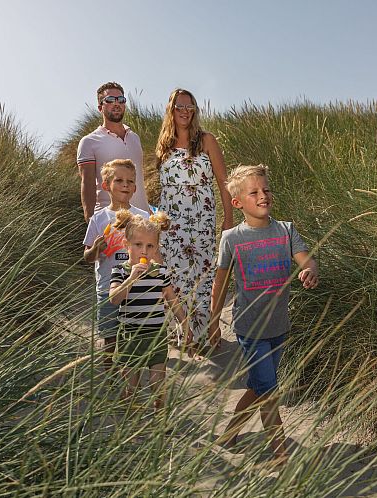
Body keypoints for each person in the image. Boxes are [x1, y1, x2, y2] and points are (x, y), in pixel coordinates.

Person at [209, 164, 319, 464]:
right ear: (237, 203)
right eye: (254, 192)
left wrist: (309, 271)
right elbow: (219, 283)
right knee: (269, 392)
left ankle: (229, 432)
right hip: (249, 327)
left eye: (266, 190)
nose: (263, 196)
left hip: (279, 327)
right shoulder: (231, 238)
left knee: (259, 385)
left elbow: (307, 259)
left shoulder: (286, 230)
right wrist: (213, 321)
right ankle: (281, 456)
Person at [155, 88, 234, 349]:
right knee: (174, 276)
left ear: (195, 111)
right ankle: (182, 335)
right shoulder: (163, 144)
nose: (185, 111)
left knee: (202, 275)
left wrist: (228, 218)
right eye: (180, 106)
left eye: (190, 107)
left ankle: (205, 334)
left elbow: (224, 182)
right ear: (171, 109)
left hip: (201, 218)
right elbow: (163, 188)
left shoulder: (206, 140)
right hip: (170, 222)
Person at [109, 209, 192, 409]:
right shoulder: (120, 271)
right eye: (138, 245)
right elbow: (114, 299)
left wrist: (184, 322)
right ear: (126, 245)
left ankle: (160, 415)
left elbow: (171, 298)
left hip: (156, 335)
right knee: (132, 385)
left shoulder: (160, 272)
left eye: (150, 246)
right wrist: (131, 279)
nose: (144, 251)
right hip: (131, 335)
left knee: (158, 383)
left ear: (156, 249)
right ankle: (129, 410)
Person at [83, 159, 148, 368]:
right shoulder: (99, 219)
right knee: (110, 337)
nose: (125, 185)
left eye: (130, 181)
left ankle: (132, 375)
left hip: (137, 287)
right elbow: (87, 257)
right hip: (107, 288)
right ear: (106, 186)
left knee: (135, 338)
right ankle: (110, 375)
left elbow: (153, 249)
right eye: (119, 180)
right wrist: (95, 249)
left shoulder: (143, 216)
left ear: (135, 187)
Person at [77, 81, 149, 221]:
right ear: (100, 107)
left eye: (121, 100)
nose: (116, 104)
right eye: (110, 100)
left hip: (141, 220)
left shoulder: (135, 138)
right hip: (110, 221)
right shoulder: (89, 142)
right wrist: (92, 222)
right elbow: (87, 184)